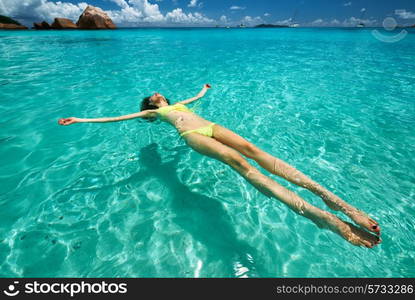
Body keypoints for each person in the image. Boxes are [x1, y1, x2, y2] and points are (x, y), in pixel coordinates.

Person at [59, 84, 381, 248]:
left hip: (211, 125)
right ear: (150, 105)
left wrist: (204, 90)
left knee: (255, 151)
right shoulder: (153, 114)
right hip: (192, 135)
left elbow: (197, 97)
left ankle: (331, 199)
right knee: (242, 165)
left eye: (158, 93)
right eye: (151, 96)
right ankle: (320, 217)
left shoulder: (179, 103)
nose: (155, 94)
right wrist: (80, 119)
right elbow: (117, 118)